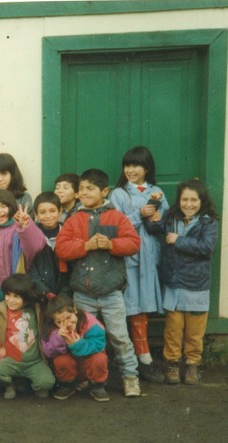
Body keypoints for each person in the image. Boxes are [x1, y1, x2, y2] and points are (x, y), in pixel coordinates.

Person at [56, 168, 142, 397]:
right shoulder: (74, 219)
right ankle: (85, 377)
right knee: (81, 335)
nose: (84, 192)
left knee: (119, 337)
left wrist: (112, 244)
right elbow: (61, 249)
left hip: (111, 293)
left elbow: (134, 243)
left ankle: (130, 376)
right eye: (81, 188)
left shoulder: (116, 217)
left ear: (104, 191)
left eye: (90, 189)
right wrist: (85, 246)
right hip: (83, 293)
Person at [145, 179, 219, 385]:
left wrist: (178, 240)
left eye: (194, 200)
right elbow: (152, 227)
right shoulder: (171, 216)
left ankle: (193, 364)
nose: (189, 204)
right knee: (173, 328)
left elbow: (206, 248)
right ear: (179, 201)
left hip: (196, 284)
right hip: (173, 282)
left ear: (201, 201)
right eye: (184, 199)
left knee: (195, 330)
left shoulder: (208, 222)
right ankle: (173, 364)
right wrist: (153, 206)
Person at [109, 146, 168, 383]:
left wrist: (159, 217)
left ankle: (141, 358)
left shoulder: (157, 192)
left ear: (147, 168)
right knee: (131, 306)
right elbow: (115, 225)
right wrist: (139, 214)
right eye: (128, 165)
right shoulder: (119, 194)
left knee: (144, 306)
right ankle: (138, 359)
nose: (131, 170)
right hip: (129, 259)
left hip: (150, 257)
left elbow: (165, 221)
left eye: (137, 165)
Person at [0, 273, 55, 400]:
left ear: (26, 297)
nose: (11, 300)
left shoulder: (36, 309)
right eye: (8, 295)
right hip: (11, 361)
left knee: (46, 384)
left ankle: (28, 383)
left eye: (16, 296)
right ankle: (9, 385)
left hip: (34, 362)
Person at [41, 294, 109, 402]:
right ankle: (67, 385)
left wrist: (77, 344)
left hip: (88, 363)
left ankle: (97, 385)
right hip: (70, 366)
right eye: (59, 322)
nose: (66, 323)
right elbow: (48, 352)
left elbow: (99, 345)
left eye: (68, 317)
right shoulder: (51, 329)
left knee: (100, 358)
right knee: (60, 360)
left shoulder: (91, 323)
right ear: (53, 321)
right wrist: (59, 338)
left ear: (75, 310)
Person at [27, 191, 70, 298]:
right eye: (42, 212)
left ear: (60, 211)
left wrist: (65, 293)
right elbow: (31, 268)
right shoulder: (32, 236)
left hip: (65, 292)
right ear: (36, 214)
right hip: (40, 292)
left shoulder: (68, 233)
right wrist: (45, 292)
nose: (48, 216)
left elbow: (72, 268)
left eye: (52, 211)